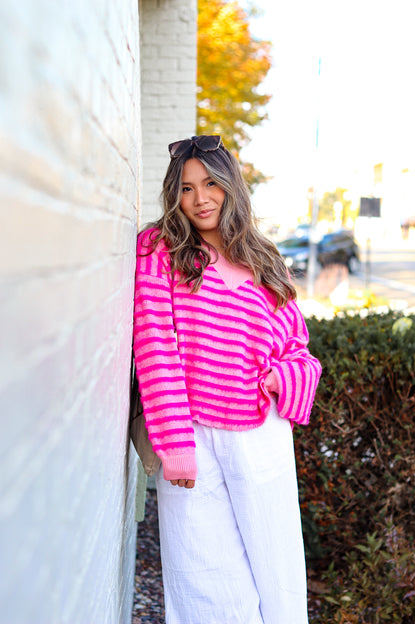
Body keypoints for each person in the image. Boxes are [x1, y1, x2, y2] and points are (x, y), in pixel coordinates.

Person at [133, 135, 322, 624]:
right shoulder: (160, 251)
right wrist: (174, 446)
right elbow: (155, 348)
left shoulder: (263, 257)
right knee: (204, 576)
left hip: (262, 432)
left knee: (276, 570)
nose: (200, 199)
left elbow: (298, 348)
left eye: (211, 183)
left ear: (231, 186)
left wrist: (284, 377)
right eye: (187, 188)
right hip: (192, 432)